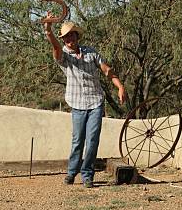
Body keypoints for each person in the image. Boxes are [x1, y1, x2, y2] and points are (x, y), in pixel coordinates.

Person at [44, 18, 126, 187]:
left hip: (95, 101)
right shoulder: (64, 56)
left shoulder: (91, 52)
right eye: (66, 38)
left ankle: (87, 175)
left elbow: (107, 70)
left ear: (76, 36)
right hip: (77, 104)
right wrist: (48, 32)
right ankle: (72, 172)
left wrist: (120, 87)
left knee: (93, 140)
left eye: (71, 36)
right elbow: (56, 48)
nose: (69, 40)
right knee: (77, 140)